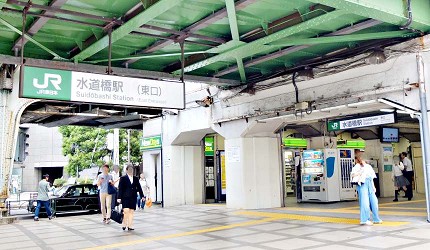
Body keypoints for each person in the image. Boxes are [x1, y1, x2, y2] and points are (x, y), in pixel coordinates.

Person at [350, 157, 382, 225]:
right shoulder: (357, 166)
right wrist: (360, 172)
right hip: (362, 184)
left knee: (374, 202)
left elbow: (371, 177)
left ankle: (376, 218)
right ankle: (365, 219)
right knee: (365, 202)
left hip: (368, 184)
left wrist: (373, 187)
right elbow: (353, 175)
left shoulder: (368, 167)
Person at [117, 164, 144, 231]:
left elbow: (139, 187)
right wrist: (119, 197)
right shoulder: (123, 178)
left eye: (132, 170)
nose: (130, 171)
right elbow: (120, 188)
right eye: (129, 169)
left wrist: (142, 196)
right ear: (126, 170)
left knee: (131, 211)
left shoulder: (135, 178)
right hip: (125, 197)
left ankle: (130, 226)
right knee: (126, 210)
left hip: (133, 197)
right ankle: (124, 223)